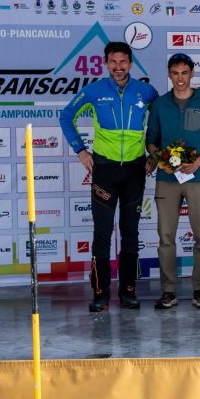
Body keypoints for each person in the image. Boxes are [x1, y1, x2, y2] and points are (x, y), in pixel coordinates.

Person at [60, 41, 158, 312]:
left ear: (131, 63)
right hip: (104, 170)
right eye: (113, 62)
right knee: (102, 233)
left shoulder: (146, 91)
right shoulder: (94, 90)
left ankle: (128, 291)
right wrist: (81, 151)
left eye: (123, 62)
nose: (118, 67)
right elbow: (66, 116)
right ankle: (100, 292)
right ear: (106, 64)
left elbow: (160, 122)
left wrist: (155, 156)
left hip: (135, 170)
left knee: (130, 233)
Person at [146, 52, 200, 310]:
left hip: (198, 178)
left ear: (192, 73)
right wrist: (160, 158)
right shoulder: (160, 105)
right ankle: (168, 291)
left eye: (184, 73)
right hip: (167, 179)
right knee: (166, 236)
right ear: (169, 75)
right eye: (175, 73)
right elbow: (151, 141)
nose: (180, 78)